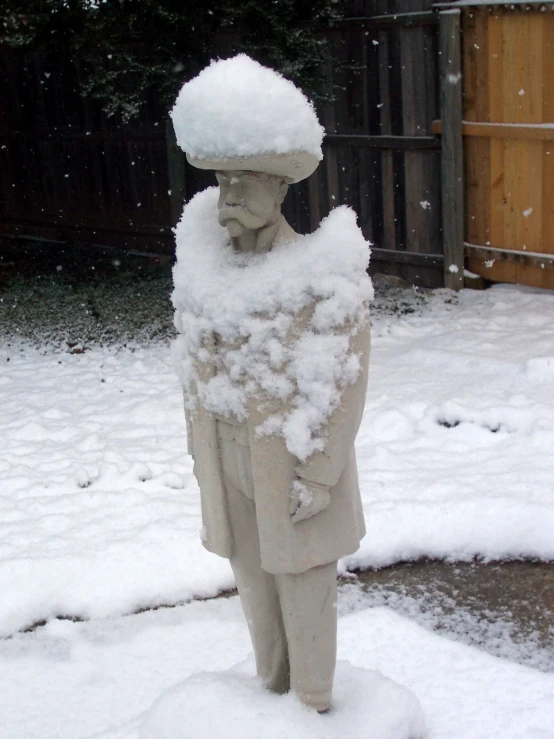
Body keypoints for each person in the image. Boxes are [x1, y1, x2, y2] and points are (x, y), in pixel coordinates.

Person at [170, 55, 371, 713]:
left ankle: (312, 701)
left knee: (302, 578)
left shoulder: (322, 274)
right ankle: (271, 689)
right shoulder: (204, 271)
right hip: (229, 457)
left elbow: (343, 383)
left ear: (280, 191)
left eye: (245, 184)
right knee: (254, 579)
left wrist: (319, 471)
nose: (229, 198)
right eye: (224, 182)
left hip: (290, 463)